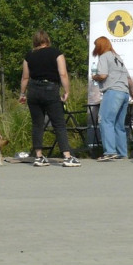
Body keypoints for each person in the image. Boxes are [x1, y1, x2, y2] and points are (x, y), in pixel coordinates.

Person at [18, 30, 78, 167]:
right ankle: (67, 156)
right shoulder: (56, 53)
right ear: (47, 40)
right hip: (50, 89)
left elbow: (25, 77)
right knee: (59, 124)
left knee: (37, 124)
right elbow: (63, 74)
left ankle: (38, 156)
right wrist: (66, 91)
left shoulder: (29, 56)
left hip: (33, 90)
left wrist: (22, 94)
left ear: (35, 41)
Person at [92, 36, 133, 161]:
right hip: (124, 93)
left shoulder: (104, 56)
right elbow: (129, 78)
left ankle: (110, 152)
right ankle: (122, 153)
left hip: (112, 92)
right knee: (119, 124)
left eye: (96, 46)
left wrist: (94, 77)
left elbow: (103, 75)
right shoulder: (118, 58)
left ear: (100, 46)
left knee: (106, 120)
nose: (95, 48)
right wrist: (132, 92)